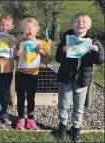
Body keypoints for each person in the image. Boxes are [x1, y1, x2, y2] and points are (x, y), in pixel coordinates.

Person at [55, 13, 104, 142]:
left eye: (84, 22)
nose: (80, 24)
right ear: (72, 24)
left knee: (79, 107)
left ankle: (76, 129)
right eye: (77, 21)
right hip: (66, 78)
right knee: (63, 104)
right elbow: (58, 58)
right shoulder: (66, 39)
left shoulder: (94, 41)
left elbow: (100, 60)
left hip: (82, 79)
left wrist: (96, 50)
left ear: (89, 25)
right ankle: (62, 126)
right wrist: (63, 51)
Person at [14, 17, 51, 130]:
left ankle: (31, 119)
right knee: (20, 97)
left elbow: (47, 61)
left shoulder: (42, 44)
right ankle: (20, 118)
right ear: (22, 31)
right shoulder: (19, 42)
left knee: (31, 97)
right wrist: (16, 53)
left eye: (31, 29)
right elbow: (14, 57)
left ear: (37, 30)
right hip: (20, 73)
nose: (28, 31)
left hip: (33, 74)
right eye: (26, 29)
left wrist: (43, 53)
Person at [0, 15, 17, 127]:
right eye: (2, 24)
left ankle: (4, 113)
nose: (4, 27)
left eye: (7, 25)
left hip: (8, 70)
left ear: (12, 27)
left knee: (5, 93)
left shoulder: (14, 39)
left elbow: (16, 56)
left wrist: (14, 48)